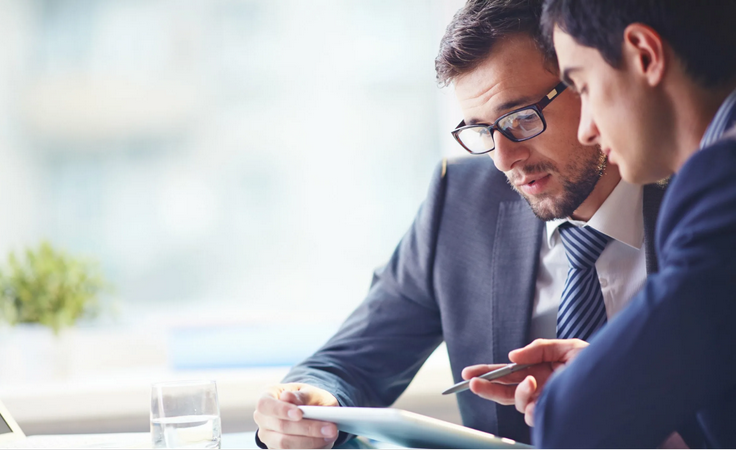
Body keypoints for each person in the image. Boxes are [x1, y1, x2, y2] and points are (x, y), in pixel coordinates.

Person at [252, 1, 665, 448]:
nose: (504, 160)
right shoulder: (464, 201)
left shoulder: (706, 197)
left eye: (523, 118)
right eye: (482, 131)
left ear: (587, 82)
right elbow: (351, 361)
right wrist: (304, 404)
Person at [462, 0, 736, 448]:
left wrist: (592, 389)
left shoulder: (721, 181)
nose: (588, 128)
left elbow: (575, 422)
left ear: (644, 55)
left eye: (582, 86)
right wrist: (625, 373)